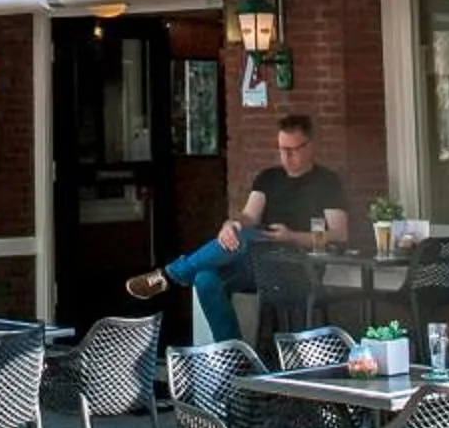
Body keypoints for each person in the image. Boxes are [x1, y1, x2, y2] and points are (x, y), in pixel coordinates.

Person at [126, 115, 349, 343]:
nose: (287, 156)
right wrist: (230, 226)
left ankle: (170, 275)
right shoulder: (268, 177)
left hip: (298, 267)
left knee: (250, 236)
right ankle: (233, 355)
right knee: (206, 278)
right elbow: (248, 217)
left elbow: (340, 234)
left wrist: (291, 236)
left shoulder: (326, 182)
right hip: (257, 263)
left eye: (294, 149)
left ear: (310, 146)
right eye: (282, 149)